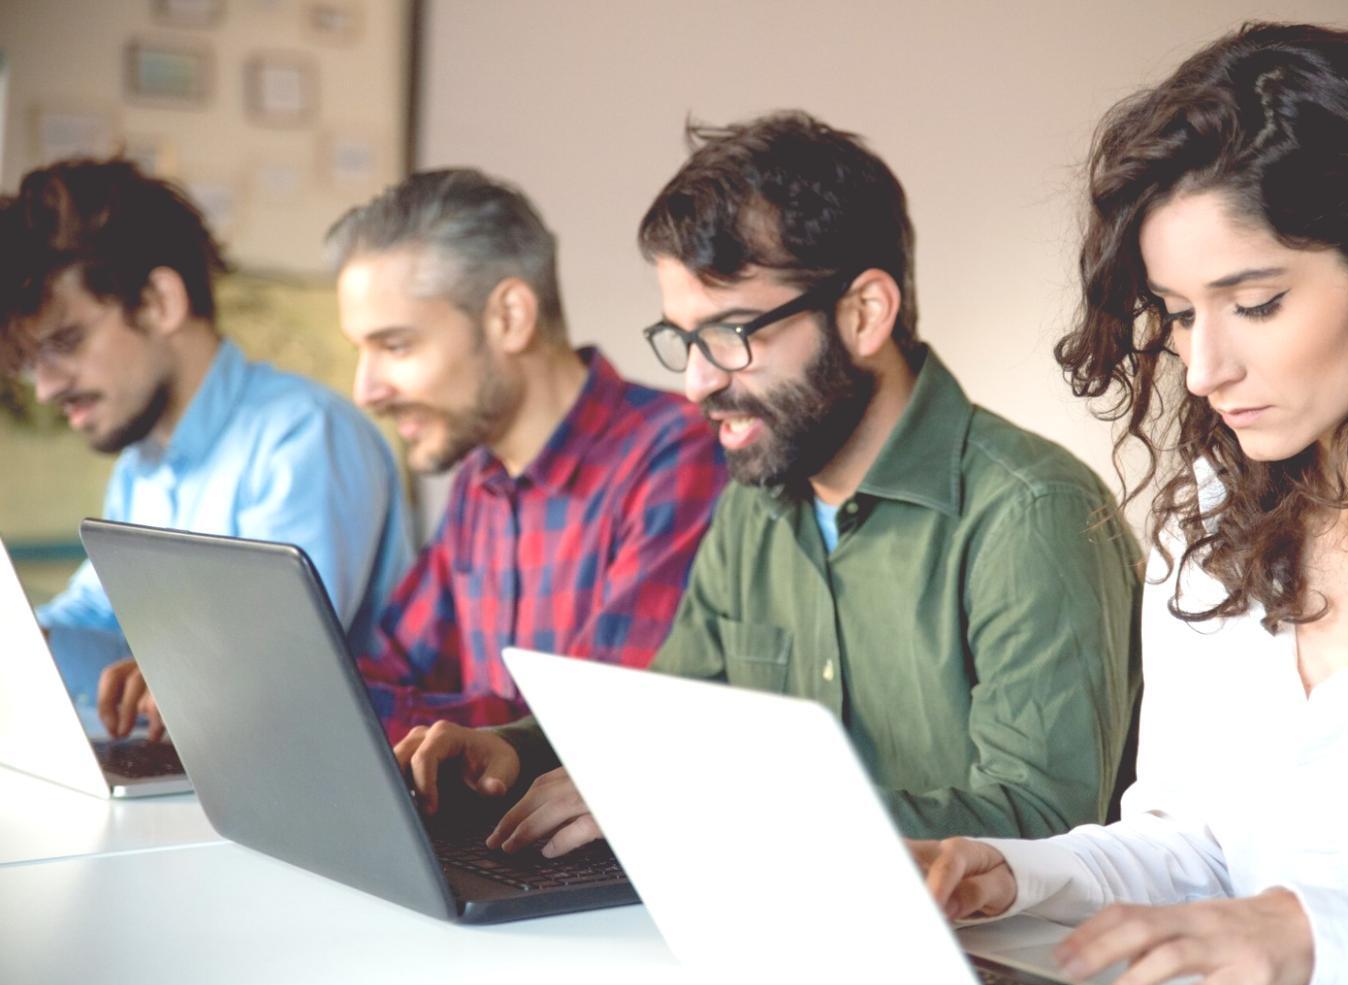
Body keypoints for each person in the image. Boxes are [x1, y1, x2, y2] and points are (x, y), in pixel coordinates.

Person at [917, 22, 1348, 985]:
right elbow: (1197, 846)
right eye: (1177, 313)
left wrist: (1320, 941)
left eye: (1255, 302)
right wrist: (1015, 877)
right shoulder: (1209, 526)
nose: (1204, 366)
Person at [394, 113, 1143, 854]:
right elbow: (669, 714)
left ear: (863, 313)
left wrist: (710, 810)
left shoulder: (1030, 512)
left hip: (990, 955)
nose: (695, 382)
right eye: (683, 339)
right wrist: (514, 750)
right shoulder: (754, 502)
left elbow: (1044, 821)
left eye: (730, 334)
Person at [0, 158, 412, 741]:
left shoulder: (304, 437)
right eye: (32, 362)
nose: (46, 388)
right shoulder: (139, 466)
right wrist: (23, 642)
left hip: (303, 777)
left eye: (66, 342)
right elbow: (100, 617)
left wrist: (182, 676)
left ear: (159, 301)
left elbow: (274, 660)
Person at [326, 168, 728, 741]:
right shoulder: (480, 480)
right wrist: (278, 698)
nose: (366, 390)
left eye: (396, 345)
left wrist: (330, 712)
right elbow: (388, 671)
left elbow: (596, 733)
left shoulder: (676, 456)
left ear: (510, 317)